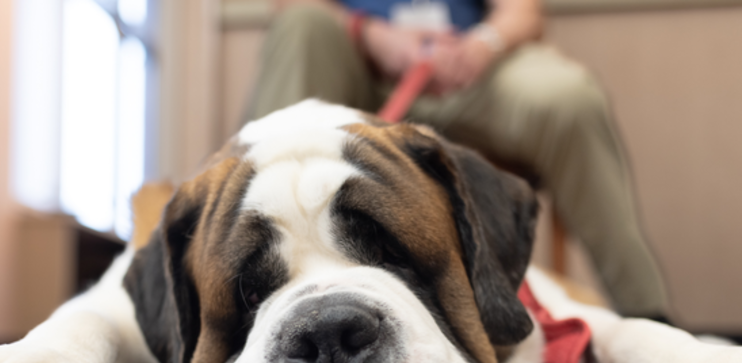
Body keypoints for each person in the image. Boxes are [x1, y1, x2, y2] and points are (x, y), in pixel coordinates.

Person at [248, 0, 670, 320]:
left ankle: (650, 315)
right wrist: (374, 38)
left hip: (465, 70)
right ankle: (264, 301)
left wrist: (482, 46)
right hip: (357, 63)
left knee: (568, 97)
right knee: (303, 25)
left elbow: (522, 11)